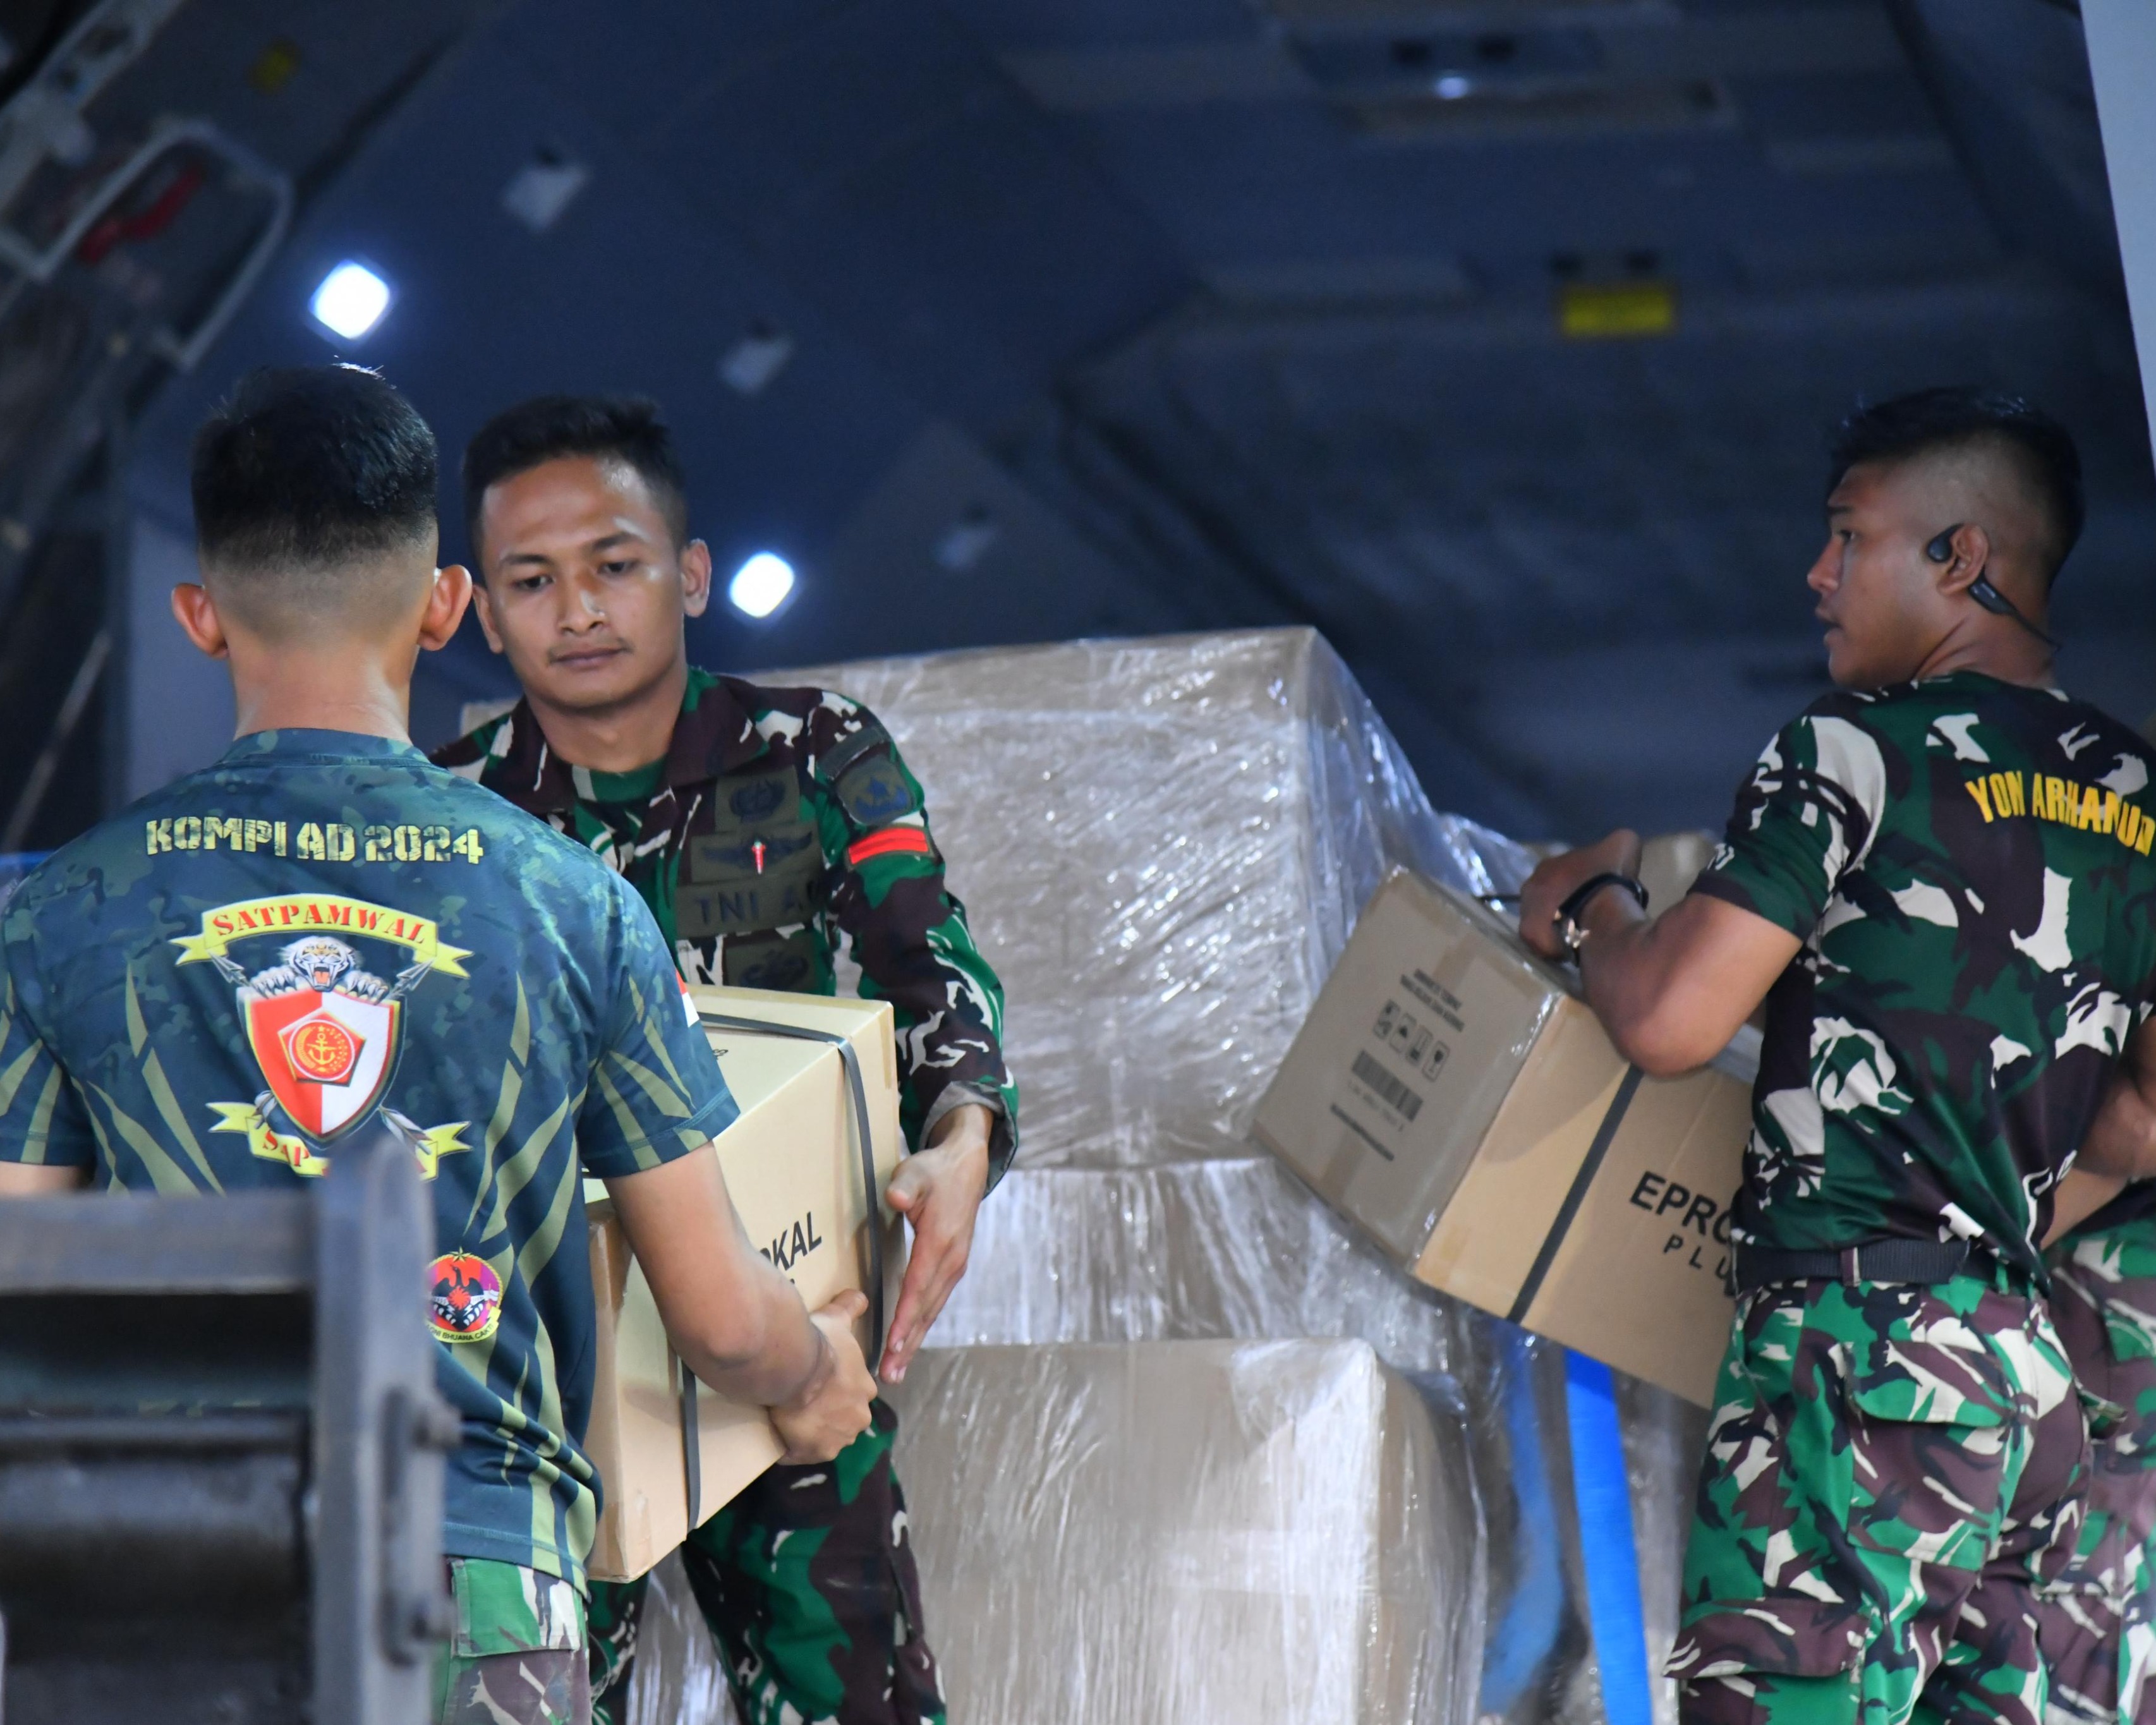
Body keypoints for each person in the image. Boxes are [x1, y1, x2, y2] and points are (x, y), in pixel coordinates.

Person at [0, 365, 876, 1725]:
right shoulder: (572, 905)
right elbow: (714, 1315)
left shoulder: (62, 911)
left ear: (199, 616)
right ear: (446, 604)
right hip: (475, 1579)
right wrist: (815, 1375)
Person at [1518, 386, 2156, 1725]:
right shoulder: (2136, 797)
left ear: (1960, 558)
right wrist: (1988, 1210)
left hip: (1853, 1359)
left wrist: (1592, 909)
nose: (1817, 573)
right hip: (2024, 1386)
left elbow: (1671, 1020)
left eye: (1848, 535)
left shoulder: (1855, 749)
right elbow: (2141, 1120)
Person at [433, 394, 1017, 1725]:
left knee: (856, 1689)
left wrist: (963, 1135)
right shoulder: (454, 816)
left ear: (689, 573)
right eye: (533, 580)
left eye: (614, 564)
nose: (579, 609)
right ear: (484, 614)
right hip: (555, 1365)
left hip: (786, 1322)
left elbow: (929, 962)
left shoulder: (813, 753)